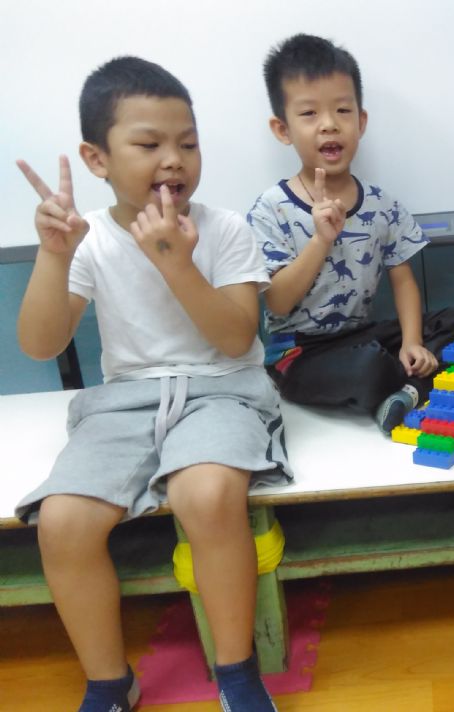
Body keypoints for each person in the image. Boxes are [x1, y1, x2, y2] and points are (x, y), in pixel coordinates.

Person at [15, 57, 291, 712]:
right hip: (126, 402)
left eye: (188, 144)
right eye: (149, 144)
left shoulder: (225, 229)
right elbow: (40, 344)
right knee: (62, 521)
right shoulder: (88, 240)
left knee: (208, 494)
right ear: (97, 158)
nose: (174, 160)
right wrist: (54, 255)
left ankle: (237, 672)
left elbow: (236, 339)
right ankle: (109, 683)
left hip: (223, 389)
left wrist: (175, 262)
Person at [247, 34, 454, 433]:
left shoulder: (382, 204)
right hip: (299, 353)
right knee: (368, 366)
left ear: (361, 122)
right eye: (309, 113)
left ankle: (404, 391)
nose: (329, 124)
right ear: (282, 129)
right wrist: (320, 240)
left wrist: (411, 342)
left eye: (342, 110)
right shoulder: (271, 209)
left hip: (362, 335)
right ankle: (414, 387)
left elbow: (404, 281)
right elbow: (277, 303)